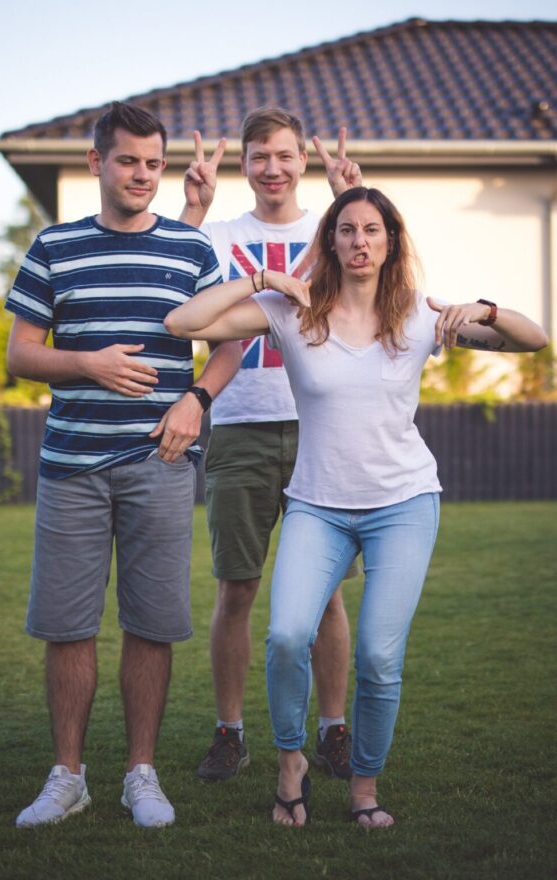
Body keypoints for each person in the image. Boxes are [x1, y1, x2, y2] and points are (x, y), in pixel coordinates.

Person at [165, 185, 548, 827]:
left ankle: (365, 787)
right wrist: (262, 279)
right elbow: (183, 323)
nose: (360, 241)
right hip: (317, 504)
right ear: (332, 242)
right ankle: (291, 762)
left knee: (379, 656)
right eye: (347, 230)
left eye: (372, 230)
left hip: (403, 503)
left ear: (390, 242)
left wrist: (484, 308)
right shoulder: (294, 311)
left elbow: (532, 340)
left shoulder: (421, 315)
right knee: (287, 635)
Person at [6, 101, 241, 828]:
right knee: (67, 627)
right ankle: (68, 777)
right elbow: (21, 354)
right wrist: (87, 363)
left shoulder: (191, 248)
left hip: (160, 464)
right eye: (128, 161)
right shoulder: (55, 245)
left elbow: (230, 343)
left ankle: (141, 773)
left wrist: (196, 399)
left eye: (153, 163)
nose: (142, 174)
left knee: (151, 624)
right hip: (71, 466)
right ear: (96, 163)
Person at [179, 107, 363, 781]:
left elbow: (379, 272)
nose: (272, 168)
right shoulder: (220, 236)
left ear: (301, 161)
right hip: (238, 427)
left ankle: (333, 729)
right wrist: (193, 206)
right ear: (245, 164)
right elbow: (170, 286)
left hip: (321, 429)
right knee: (237, 588)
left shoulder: (332, 229)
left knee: (328, 594)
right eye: (259, 156)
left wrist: (351, 197)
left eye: (285, 155)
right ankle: (230, 732)